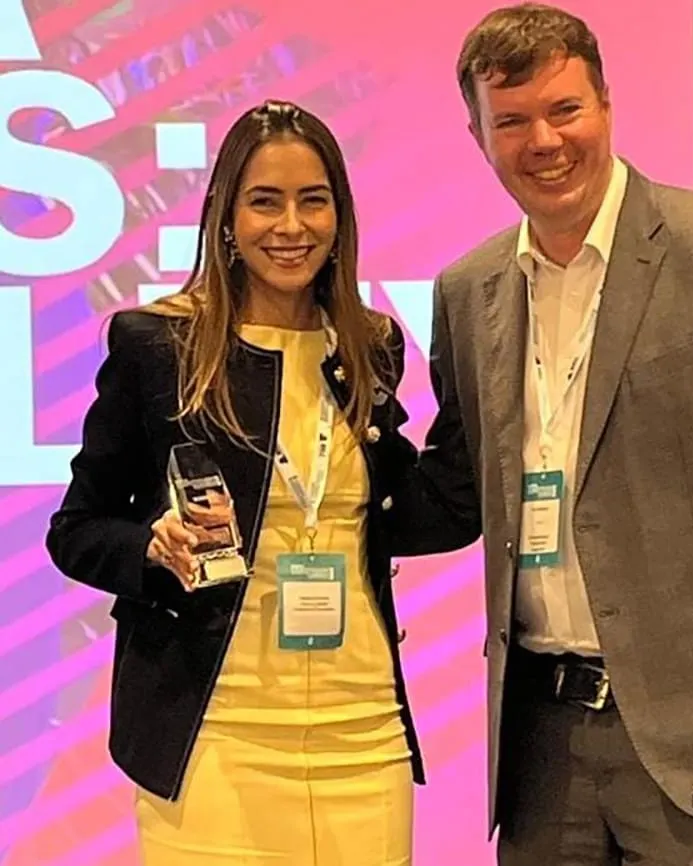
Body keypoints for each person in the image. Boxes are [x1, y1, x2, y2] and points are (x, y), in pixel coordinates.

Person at [389, 4, 693, 866]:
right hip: (540, 751)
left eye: (565, 110)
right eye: (512, 121)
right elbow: (455, 495)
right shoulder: (468, 290)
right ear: (478, 136)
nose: (544, 141)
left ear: (607, 105)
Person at [46, 100, 424, 866]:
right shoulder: (161, 345)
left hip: (362, 730)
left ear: (339, 217)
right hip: (216, 736)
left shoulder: (372, 345)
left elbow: (403, 508)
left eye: (313, 200)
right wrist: (151, 549)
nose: (291, 226)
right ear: (226, 217)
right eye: (265, 201)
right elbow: (76, 529)